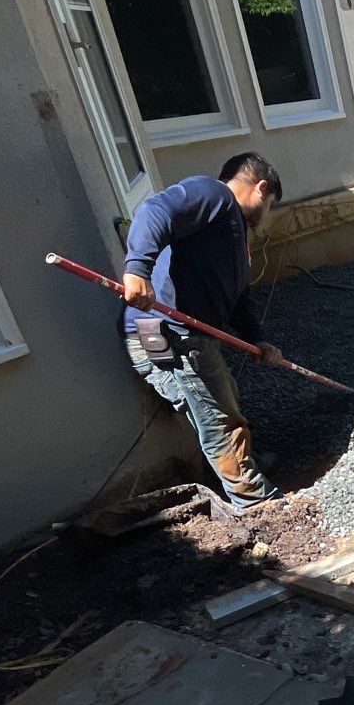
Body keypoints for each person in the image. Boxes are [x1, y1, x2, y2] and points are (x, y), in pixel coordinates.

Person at [120, 153, 288, 508]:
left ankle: (242, 467)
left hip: (172, 332)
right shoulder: (212, 195)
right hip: (163, 331)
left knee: (219, 399)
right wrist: (137, 269)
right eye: (270, 204)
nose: (266, 213)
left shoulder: (233, 232)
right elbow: (154, 211)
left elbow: (238, 299)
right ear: (260, 187)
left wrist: (257, 339)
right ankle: (256, 501)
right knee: (218, 416)